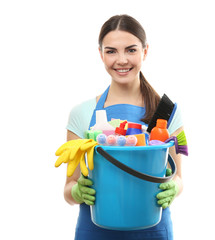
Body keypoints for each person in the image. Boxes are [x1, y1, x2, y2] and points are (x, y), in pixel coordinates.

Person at [64, 14, 184, 240]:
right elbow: (68, 191)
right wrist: (78, 191)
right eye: (111, 51)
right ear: (100, 54)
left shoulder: (168, 112)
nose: (121, 60)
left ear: (145, 51)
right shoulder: (81, 114)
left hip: (153, 232)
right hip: (95, 232)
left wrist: (174, 188)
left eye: (131, 50)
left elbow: (178, 177)